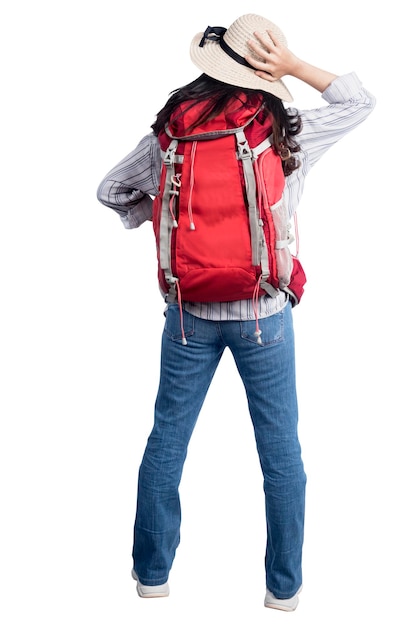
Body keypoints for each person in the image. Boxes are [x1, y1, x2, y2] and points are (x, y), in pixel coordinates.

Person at [96, 13, 376, 611]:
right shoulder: (285, 128)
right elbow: (358, 103)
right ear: (263, 71)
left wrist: (166, 215)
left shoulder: (169, 135)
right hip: (264, 314)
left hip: (188, 316)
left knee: (167, 442)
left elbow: (110, 190)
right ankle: (283, 590)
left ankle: (152, 578)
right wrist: (296, 66)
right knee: (281, 455)